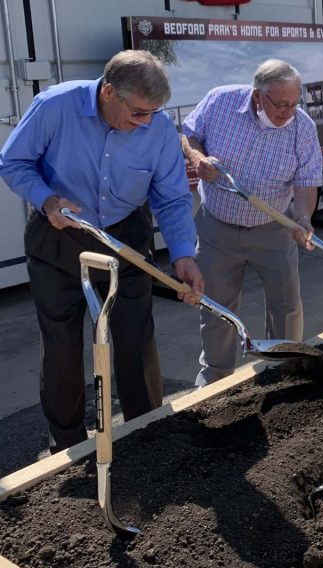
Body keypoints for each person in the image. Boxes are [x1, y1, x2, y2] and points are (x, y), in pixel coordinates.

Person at [0, 50, 204, 452]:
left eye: (153, 113)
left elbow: (172, 197)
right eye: (139, 113)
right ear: (109, 92)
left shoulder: (158, 127)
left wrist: (183, 254)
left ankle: (145, 432)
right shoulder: (55, 106)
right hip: (58, 237)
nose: (146, 122)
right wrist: (47, 199)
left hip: (125, 239)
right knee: (61, 346)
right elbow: (13, 161)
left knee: (134, 338)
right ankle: (67, 443)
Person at [182, 59, 323, 386]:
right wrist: (199, 159)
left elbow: (306, 181)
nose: (288, 112)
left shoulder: (302, 128)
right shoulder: (220, 102)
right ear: (258, 96)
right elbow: (189, 135)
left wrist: (302, 218)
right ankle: (214, 382)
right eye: (281, 104)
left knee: (286, 307)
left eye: (294, 103)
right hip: (217, 228)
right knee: (217, 308)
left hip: (275, 230)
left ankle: (284, 372)